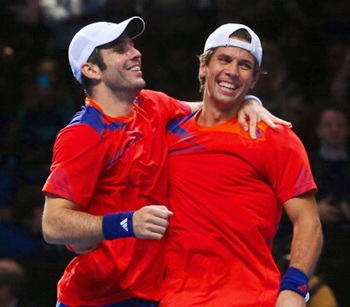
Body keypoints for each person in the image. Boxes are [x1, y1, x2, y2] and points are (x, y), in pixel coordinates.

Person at [41, 16, 290, 307]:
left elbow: (211, 107)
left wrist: (250, 101)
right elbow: (53, 224)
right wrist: (127, 223)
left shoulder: (151, 105)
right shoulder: (83, 134)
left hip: (152, 294)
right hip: (96, 298)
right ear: (91, 69)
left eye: (132, 45)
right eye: (120, 49)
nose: (135, 53)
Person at [161, 23, 323, 306]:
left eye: (244, 65)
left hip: (251, 298)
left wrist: (295, 288)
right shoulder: (166, 131)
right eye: (224, 59)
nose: (233, 71)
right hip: (173, 298)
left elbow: (308, 221)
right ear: (203, 66)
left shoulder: (276, 138)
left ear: (254, 80)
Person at [308, 105, 350, 306]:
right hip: (318, 249)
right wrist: (315, 211)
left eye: (340, 124)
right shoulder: (306, 162)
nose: (334, 129)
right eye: (328, 124)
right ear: (319, 130)